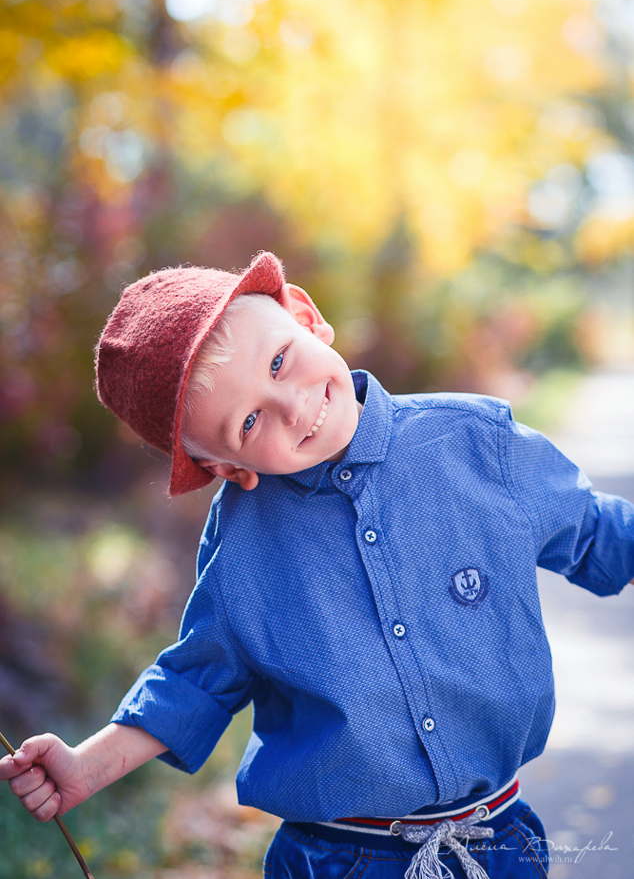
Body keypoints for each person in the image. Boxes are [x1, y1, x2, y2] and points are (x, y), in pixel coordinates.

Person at [1, 251, 634, 879]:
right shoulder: (244, 544)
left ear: (304, 314)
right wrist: (86, 767)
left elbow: (595, 533)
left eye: (278, 361)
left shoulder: (475, 445)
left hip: (495, 844)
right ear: (227, 467)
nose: (293, 407)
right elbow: (199, 679)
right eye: (248, 421)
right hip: (334, 859)